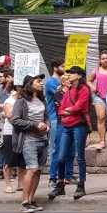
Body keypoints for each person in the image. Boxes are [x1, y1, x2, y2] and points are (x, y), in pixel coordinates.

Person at [49, 66, 90, 201]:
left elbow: (80, 106)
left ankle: (81, 185)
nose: (69, 75)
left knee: (80, 157)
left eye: (72, 73)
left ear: (79, 75)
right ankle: (60, 184)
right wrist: (69, 111)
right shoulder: (69, 90)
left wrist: (69, 110)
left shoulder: (84, 89)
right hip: (67, 125)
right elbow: (61, 109)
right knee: (61, 156)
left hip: (79, 125)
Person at [10, 75, 48, 213]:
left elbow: (46, 117)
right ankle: (25, 202)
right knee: (32, 169)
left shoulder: (42, 100)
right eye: (38, 81)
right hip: (29, 140)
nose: (41, 83)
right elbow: (15, 120)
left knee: (38, 171)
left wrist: (47, 126)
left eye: (41, 81)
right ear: (29, 84)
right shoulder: (21, 102)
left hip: (43, 140)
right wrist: (34, 124)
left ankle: (32, 200)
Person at [44, 60, 73, 188]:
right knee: (57, 148)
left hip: (67, 118)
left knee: (70, 149)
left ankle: (68, 176)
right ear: (55, 68)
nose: (65, 68)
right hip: (56, 118)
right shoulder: (51, 82)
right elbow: (63, 95)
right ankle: (53, 177)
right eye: (63, 66)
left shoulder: (65, 81)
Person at [87, 51, 107, 150]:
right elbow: (88, 80)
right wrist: (92, 87)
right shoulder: (96, 70)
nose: (105, 60)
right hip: (99, 97)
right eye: (103, 58)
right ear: (100, 60)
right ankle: (102, 141)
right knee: (101, 118)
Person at [1, 77, 25, 194]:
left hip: (23, 132)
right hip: (10, 132)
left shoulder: (26, 100)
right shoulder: (9, 101)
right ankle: (7, 184)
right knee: (9, 159)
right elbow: (11, 118)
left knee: (22, 160)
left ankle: (21, 183)